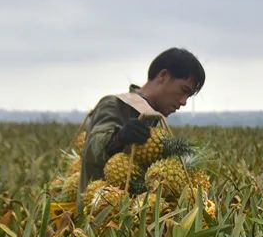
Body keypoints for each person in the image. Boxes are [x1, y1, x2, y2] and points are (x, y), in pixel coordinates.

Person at [78, 48, 205, 193]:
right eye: (183, 90)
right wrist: (119, 138)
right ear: (163, 76)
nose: (183, 102)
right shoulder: (114, 104)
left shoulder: (156, 120)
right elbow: (92, 147)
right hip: (97, 209)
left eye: (188, 97)